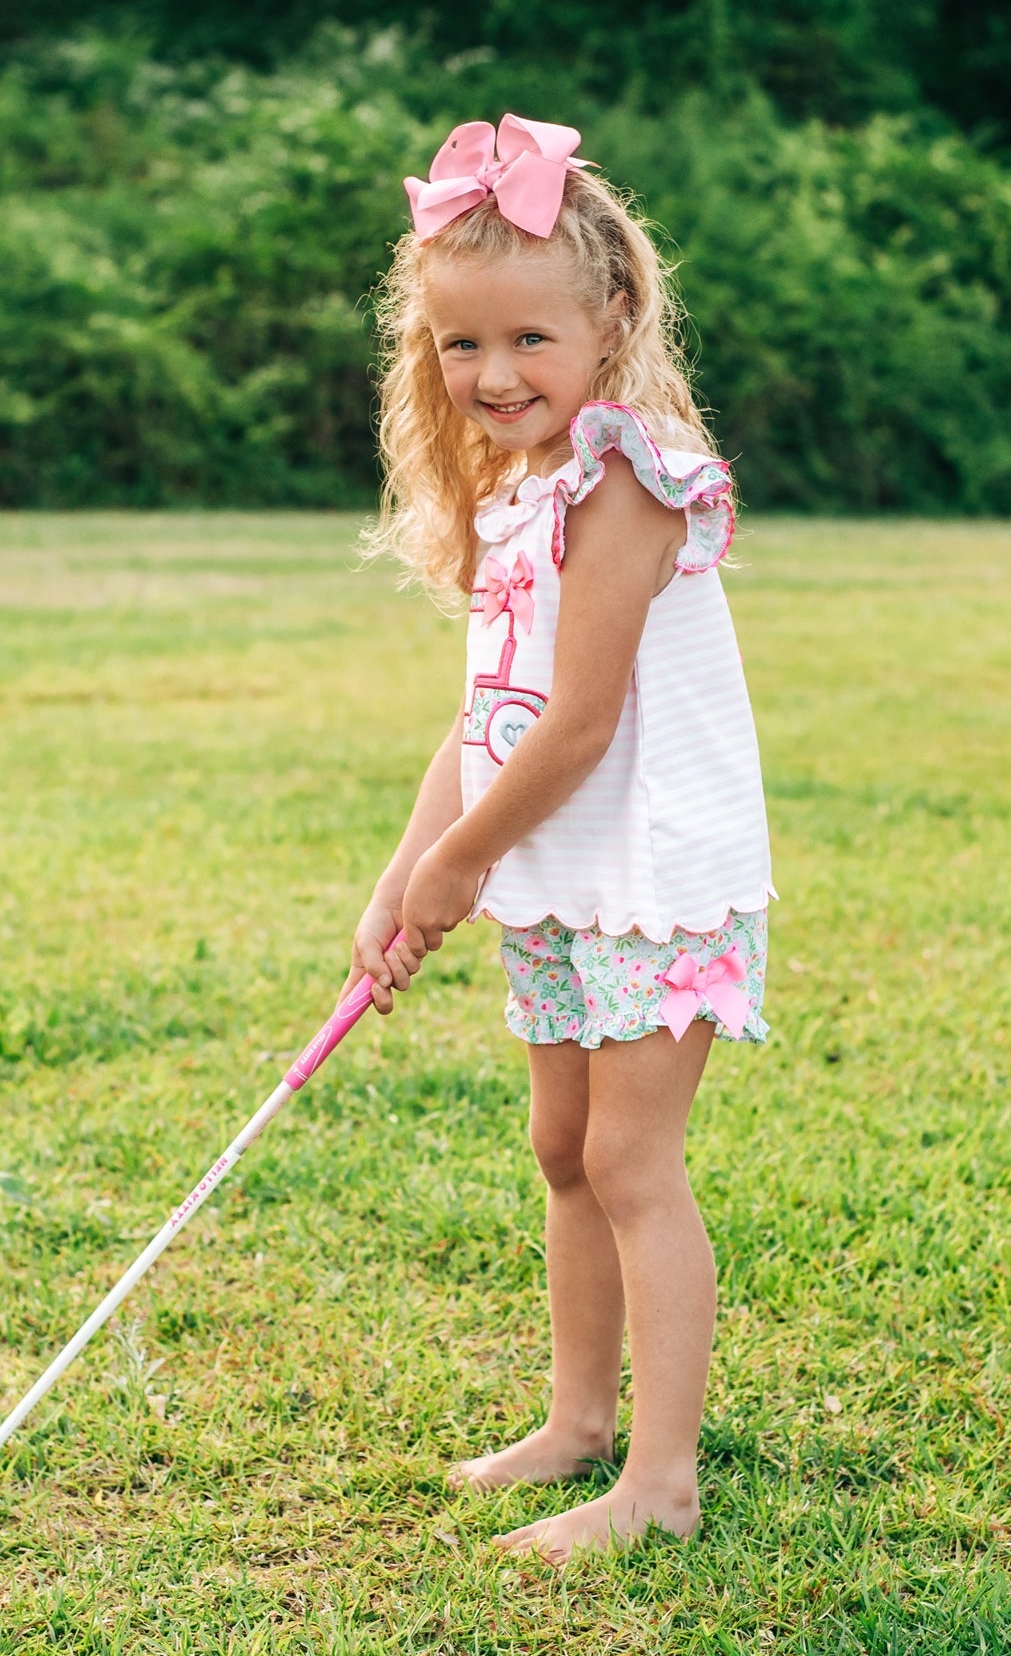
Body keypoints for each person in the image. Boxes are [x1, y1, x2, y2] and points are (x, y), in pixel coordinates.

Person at [345, 115, 774, 1564]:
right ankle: (578, 1420)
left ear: (613, 320)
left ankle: (657, 1483)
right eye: (462, 347)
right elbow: (488, 710)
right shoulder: (518, 490)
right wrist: (411, 871)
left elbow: (580, 721)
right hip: (562, 869)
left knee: (632, 1161)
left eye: (529, 336)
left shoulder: (632, 477)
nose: (494, 374)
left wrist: (463, 861)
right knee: (562, 1149)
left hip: (653, 869)